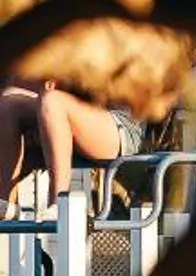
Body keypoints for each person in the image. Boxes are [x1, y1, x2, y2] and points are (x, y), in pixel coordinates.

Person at [0, 78, 145, 207]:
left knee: (52, 101)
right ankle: (5, 205)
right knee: (9, 100)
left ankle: (58, 205)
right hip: (70, 111)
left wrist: (64, 81)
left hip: (119, 125)